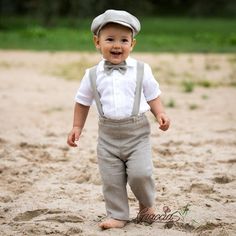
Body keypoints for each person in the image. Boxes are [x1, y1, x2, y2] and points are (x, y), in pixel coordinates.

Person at [67, 9, 170, 229]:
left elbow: (152, 94)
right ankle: (118, 214)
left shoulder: (142, 69)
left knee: (140, 173)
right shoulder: (92, 74)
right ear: (97, 42)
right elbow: (83, 101)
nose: (117, 45)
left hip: (137, 133)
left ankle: (146, 206)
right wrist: (77, 126)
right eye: (110, 39)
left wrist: (160, 113)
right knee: (111, 178)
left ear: (132, 44)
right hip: (107, 135)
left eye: (124, 40)